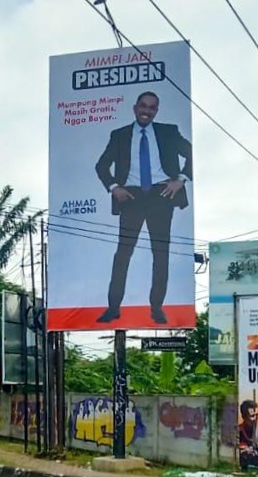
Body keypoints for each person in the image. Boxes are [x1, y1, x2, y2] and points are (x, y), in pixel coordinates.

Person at [95, 91, 193, 325]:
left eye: (152, 107)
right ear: (135, 107)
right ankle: (113, 307)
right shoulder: (119, 135)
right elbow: (102, 165)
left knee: (160, 254)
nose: (146, 111)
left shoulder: (169, 132)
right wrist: (114, 187)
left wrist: (180, 179)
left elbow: (191, 153)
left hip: (162, 194)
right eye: (143, 106)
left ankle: (157, 307)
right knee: (123, 253)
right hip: (131, 197)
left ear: (156, 111)